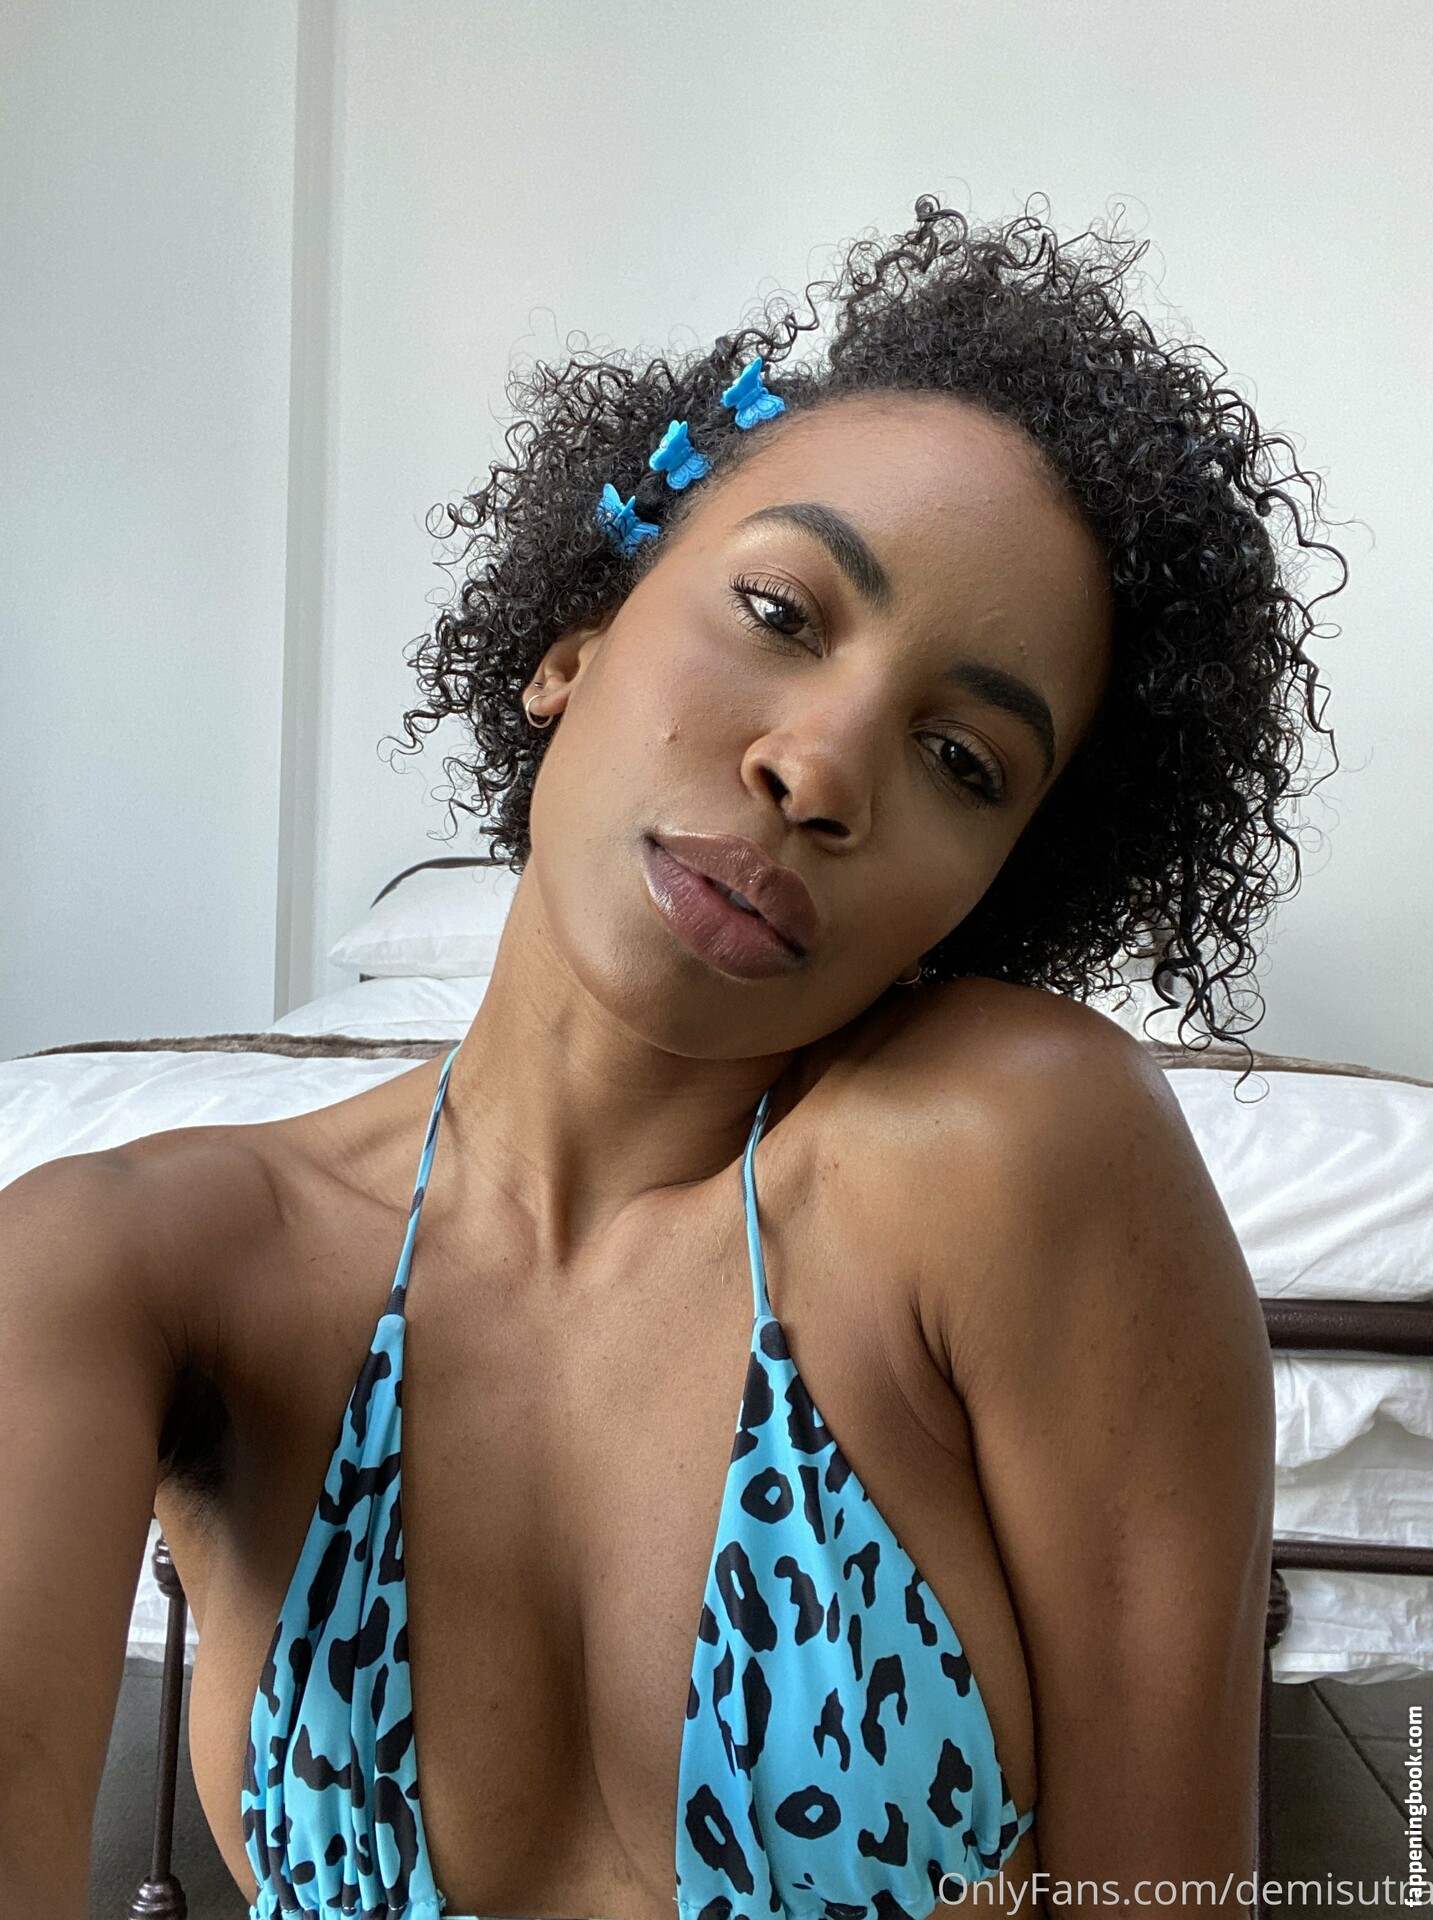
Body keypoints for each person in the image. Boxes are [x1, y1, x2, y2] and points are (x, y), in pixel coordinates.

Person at [0, 198, 1338, 1919]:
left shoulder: (1012, 1149)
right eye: (780, 609)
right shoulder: (128, 1260)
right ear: (573, 644)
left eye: (962, 759)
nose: (822, 771)